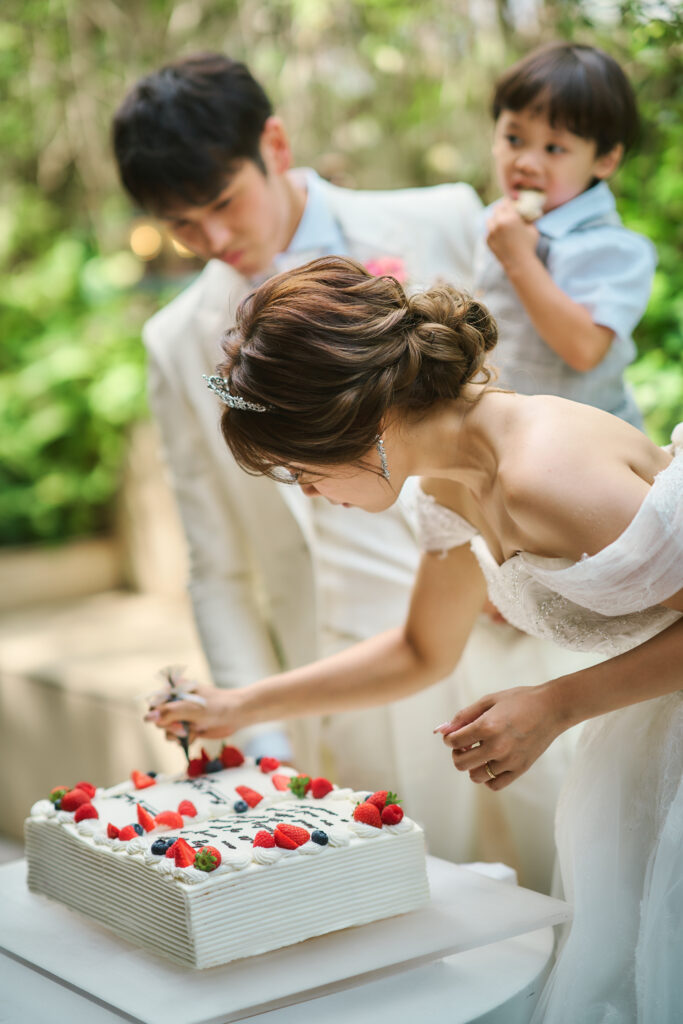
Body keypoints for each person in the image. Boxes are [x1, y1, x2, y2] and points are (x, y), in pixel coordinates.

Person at [147, 257, 683, 1023]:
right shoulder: (446, 486)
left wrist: (557, 703)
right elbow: (420, 652)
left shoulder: (543, 471)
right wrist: (239, 703)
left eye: (303, 470)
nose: (310, 493)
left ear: (360, 425)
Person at [114, 54, 593, 889]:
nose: (214, 240)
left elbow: (552, 385)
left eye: (222, 202)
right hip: (359, 676)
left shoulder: (444, 220)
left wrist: (545, 571)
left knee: (570, 880)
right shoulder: (177, 341)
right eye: (182, 225)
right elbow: (215, 562)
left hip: (525, 635)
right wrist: (258, 736)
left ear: (273, 141)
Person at [473, 42, 655, 428]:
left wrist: (520, 259)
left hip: (588, 443)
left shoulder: (617, 250)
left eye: (554, 147)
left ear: (605, 159)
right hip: (504, 432)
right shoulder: (492, 220)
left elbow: (585, 349)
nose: (526, 162)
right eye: (514, 139)